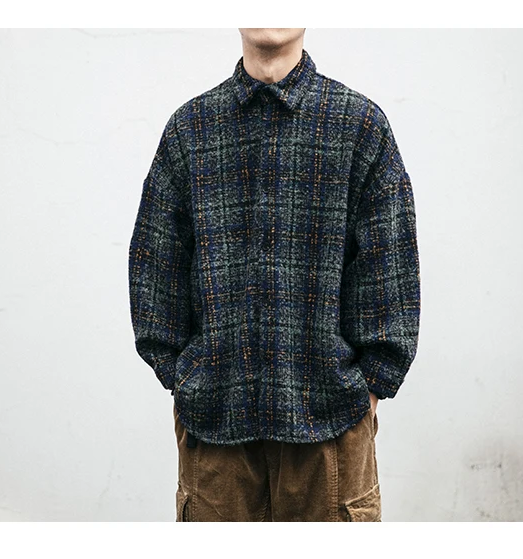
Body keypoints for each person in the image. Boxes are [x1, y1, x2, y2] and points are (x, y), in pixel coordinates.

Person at [128, 28, 421, 522]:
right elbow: (155, 266)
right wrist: (186, 377)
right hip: (215, 433)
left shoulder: (358, 126)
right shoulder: (191, 130)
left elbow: (389, 267)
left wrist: (369, 385)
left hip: (331, 430)